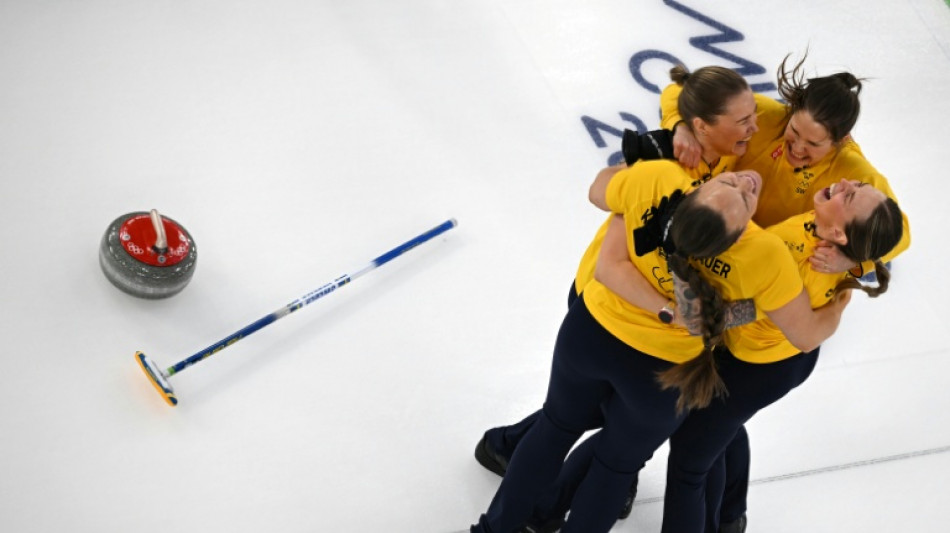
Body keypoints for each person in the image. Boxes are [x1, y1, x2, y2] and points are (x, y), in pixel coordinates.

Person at [469, 159, 848, 533]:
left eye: (743, 194)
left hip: (591, 335)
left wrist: (629, 174)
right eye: (734, 187)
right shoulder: (764, 254)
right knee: (614, 468)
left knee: (553, 428)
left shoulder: (658, 180)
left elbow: (599, 203)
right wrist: (841, 296)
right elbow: (803, 335)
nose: (746, 183)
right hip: (661, 378)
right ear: (734, 239)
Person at [475, 64, 759, 522]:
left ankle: (515, 481)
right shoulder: (668, 176)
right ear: (704, 126)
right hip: (616, 311)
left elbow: (677, 92)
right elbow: (600, 195)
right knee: (604, 431)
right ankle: (515, 449)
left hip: (608, 314)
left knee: (579, 420)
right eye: (743, 119)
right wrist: (696, 315)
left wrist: (677, 127)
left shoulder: (694, 164)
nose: (754, 127)